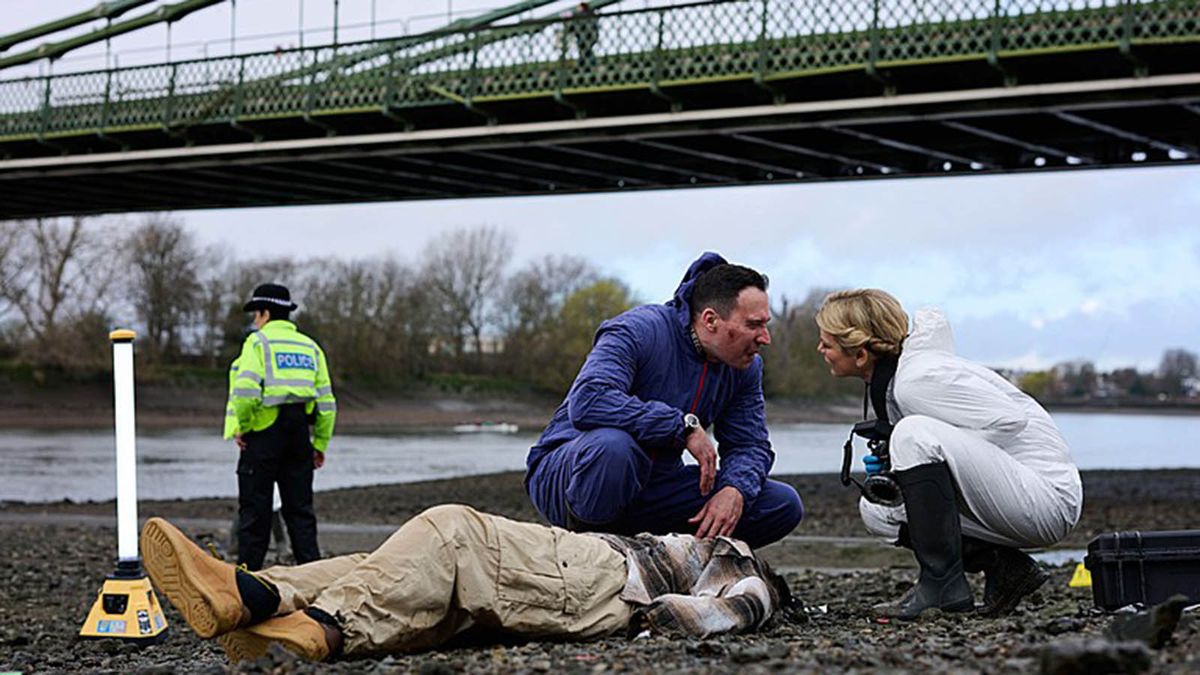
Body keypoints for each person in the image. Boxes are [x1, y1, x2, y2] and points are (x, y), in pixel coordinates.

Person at [140, 505, 791, 661]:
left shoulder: (737, 559)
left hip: (600, 576)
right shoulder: (712, 551)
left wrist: (646, 604)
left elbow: (729, 612)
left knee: (453, 531)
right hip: (588, 579)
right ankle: (254, 591)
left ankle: (316, 620)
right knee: (402, 564)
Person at [814, 289, 1082, 620]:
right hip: (1013, 493)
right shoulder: (896, 380)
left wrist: (932, 453)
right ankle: (1005, 567)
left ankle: (941, 586)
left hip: (1046, 497)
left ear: (860, 354)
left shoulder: (916, 379)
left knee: (914, 434)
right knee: (878, 511)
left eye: (827, 344)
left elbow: (1011, 420)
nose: (820, 350)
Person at [525, 252, 803, 549]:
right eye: (754, 325)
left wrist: (734, 489)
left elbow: (749, 445)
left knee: (781, 504)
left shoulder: (745, 366)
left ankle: (673, 560)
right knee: (614, 448)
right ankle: (591, 551)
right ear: (710, 320)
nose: (765, 337)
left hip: (655, 486)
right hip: (574, 474)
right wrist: (680, 426)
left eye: (765, 324)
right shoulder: (637, 330)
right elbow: (589, 400)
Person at [230, 283, 337, 570]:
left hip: (263, 436)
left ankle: (248, 585)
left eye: (256, 314)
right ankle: (313, 584)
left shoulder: (257, 343)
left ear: (266, 313)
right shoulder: (310, 347)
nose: (255, 321)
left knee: (254, 516)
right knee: (301, 515)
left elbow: (245, 392)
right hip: (300, 435)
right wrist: (320, 445)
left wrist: (244, 427)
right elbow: (327, 404)